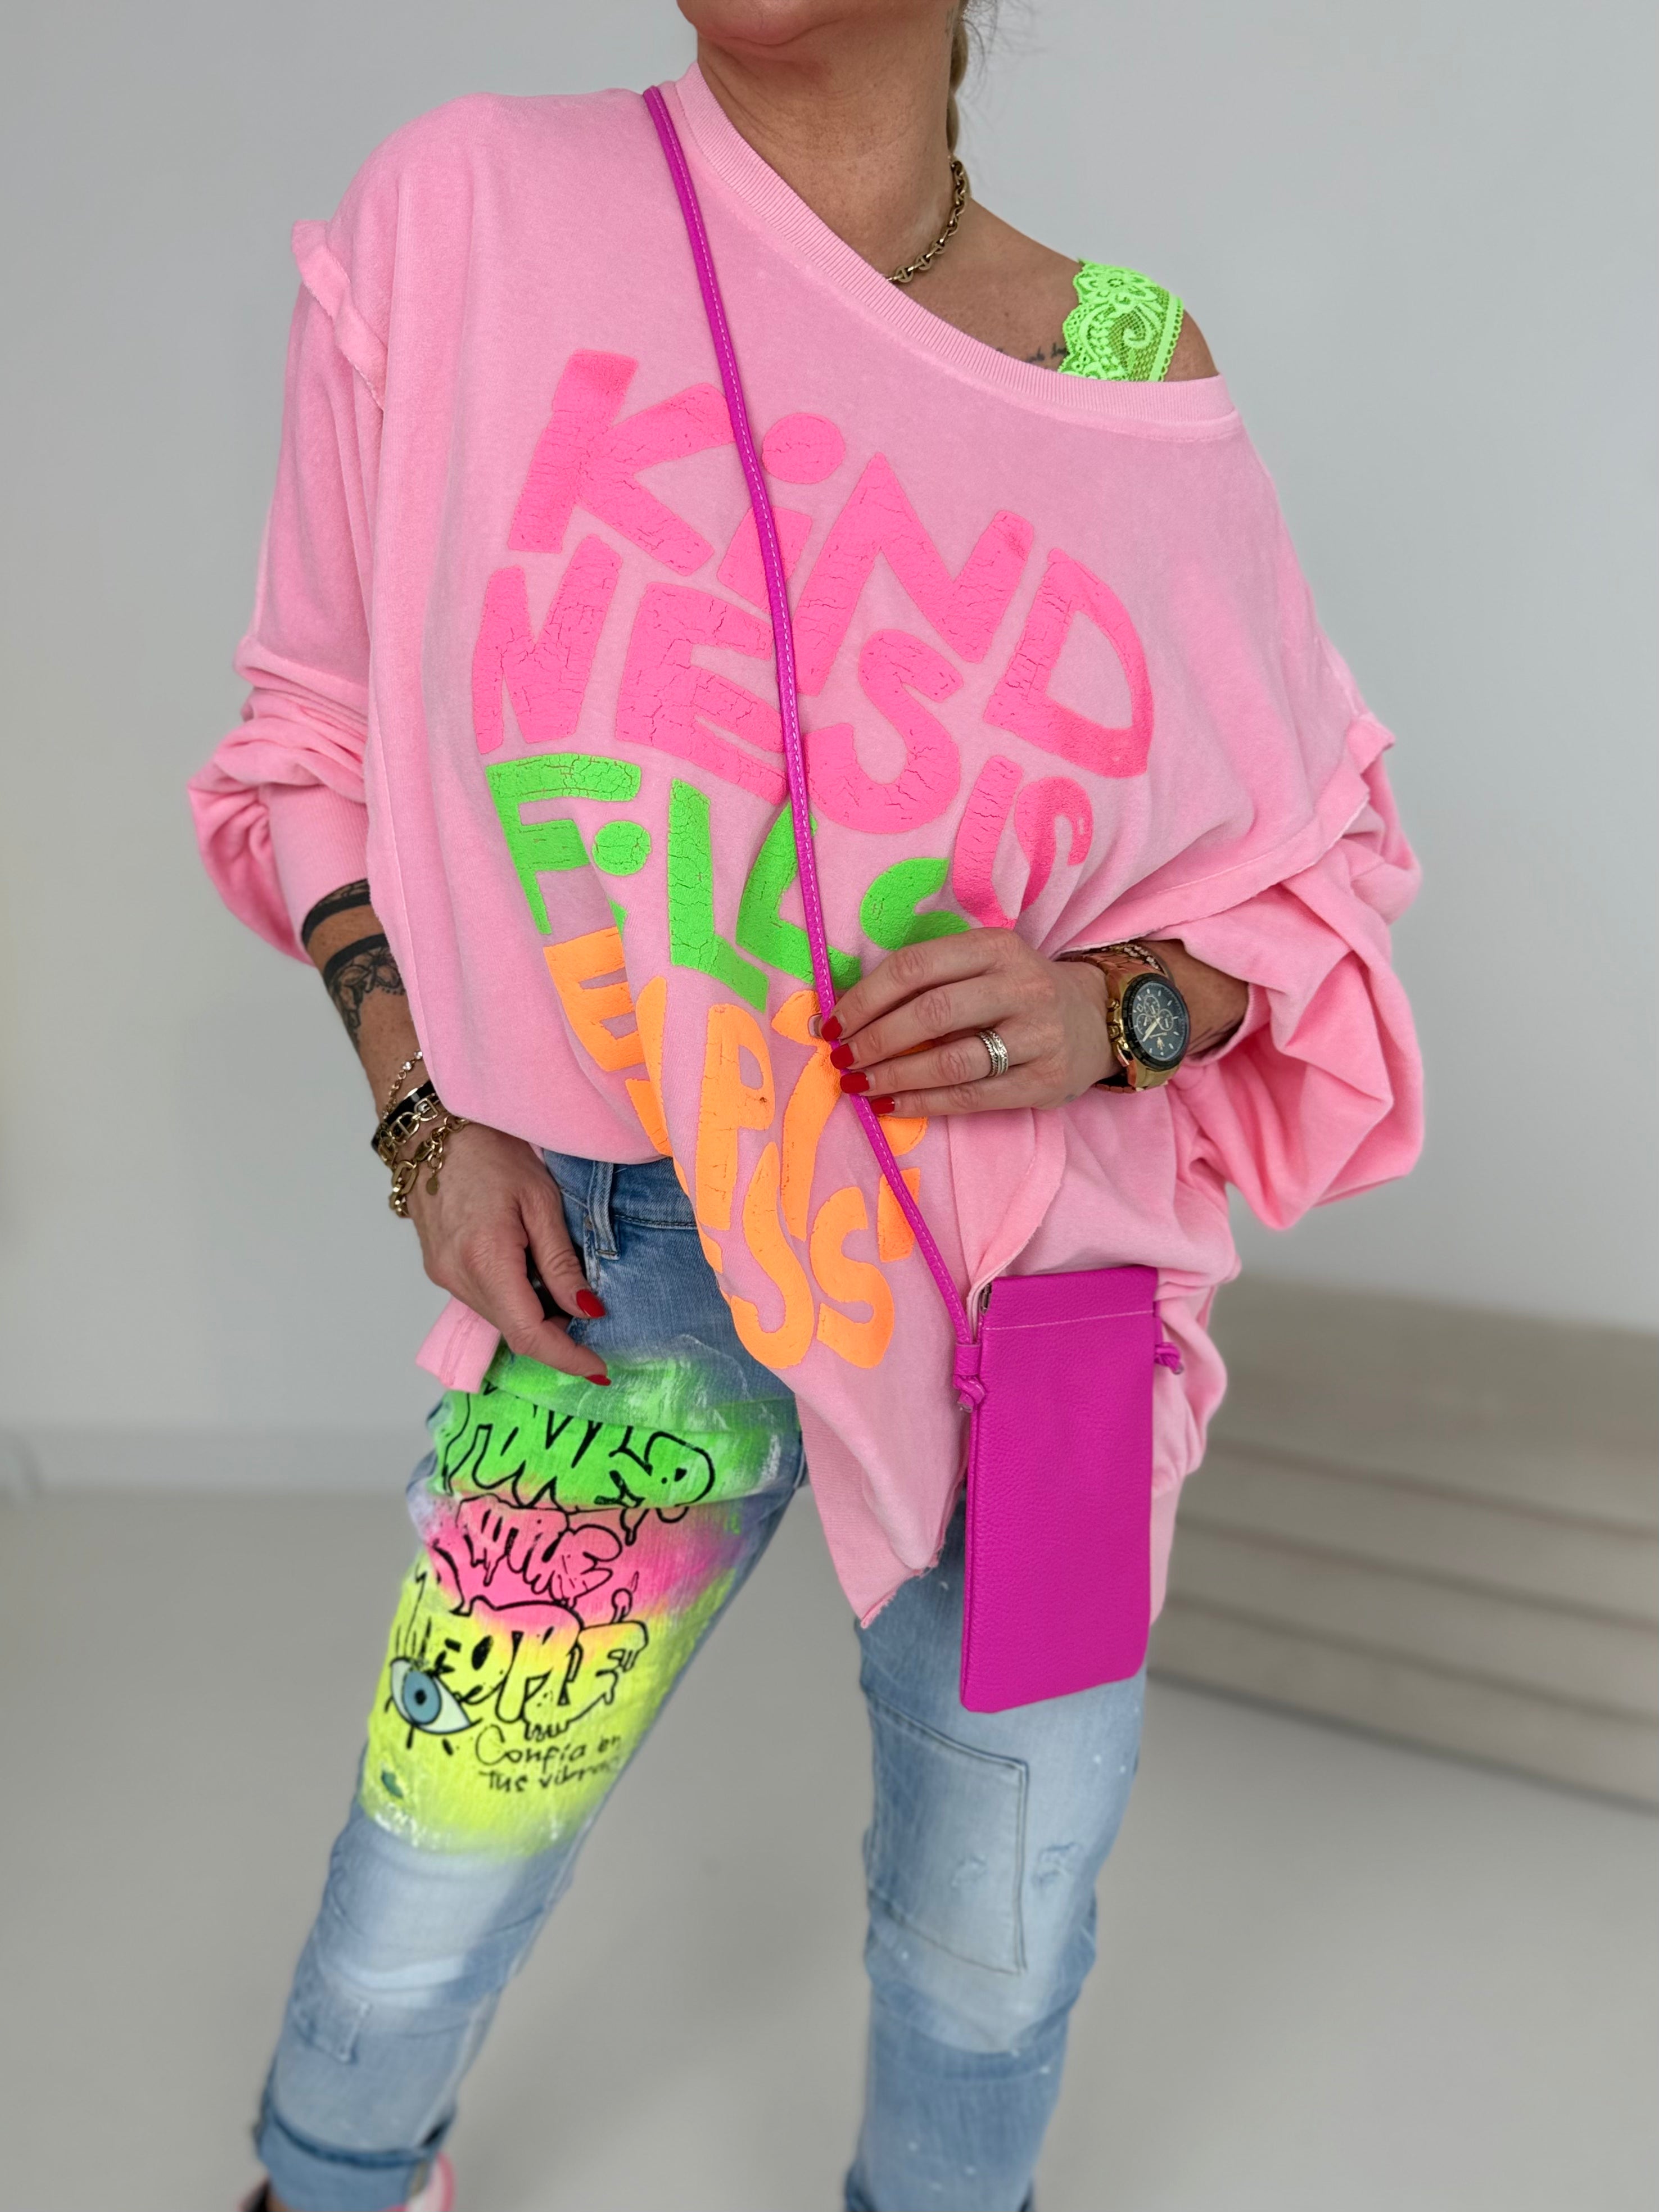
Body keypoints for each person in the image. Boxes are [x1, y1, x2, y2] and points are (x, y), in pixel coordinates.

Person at [191, 3, 1422, 2206]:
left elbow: (1309, 879)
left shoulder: (1120, 347)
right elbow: (309, 734)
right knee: (434, 1859)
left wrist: (1114, 1013)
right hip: (613, 1269)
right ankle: (333, 2175)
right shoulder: (472, 209)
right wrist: (424, 1119)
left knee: (993, 1935)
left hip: (1037, 1298)